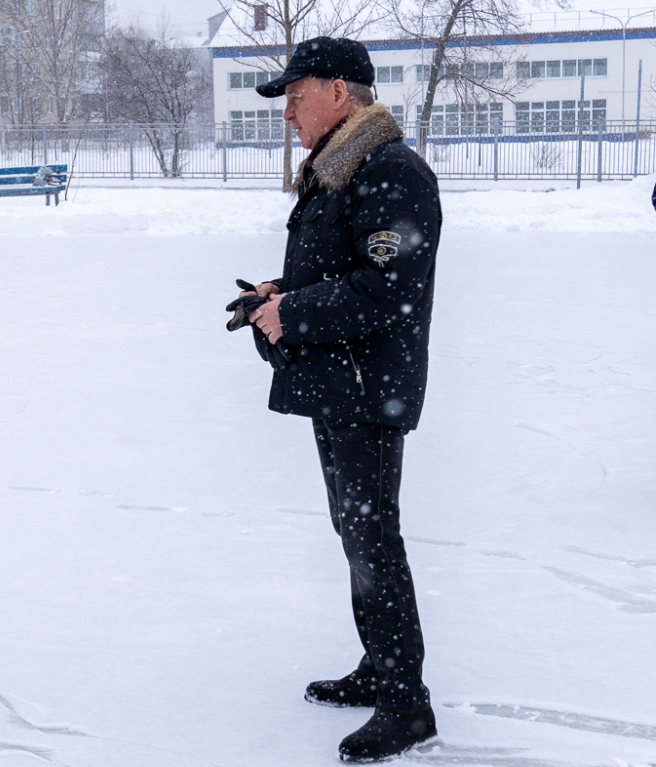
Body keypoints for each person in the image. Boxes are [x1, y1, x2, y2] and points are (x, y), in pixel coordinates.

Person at [237, 38, 442, 762]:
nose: (288, 113)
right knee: (356, 535)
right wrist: (279, 294)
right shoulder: (338, 172)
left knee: (373, 539)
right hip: (343, 385)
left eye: (297, 97)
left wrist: (295, 314)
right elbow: (343, 270)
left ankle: (406, 704)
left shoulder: (391, 172)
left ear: (339, 93)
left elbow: (388, 287)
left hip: (368, 391)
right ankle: (380, 665)